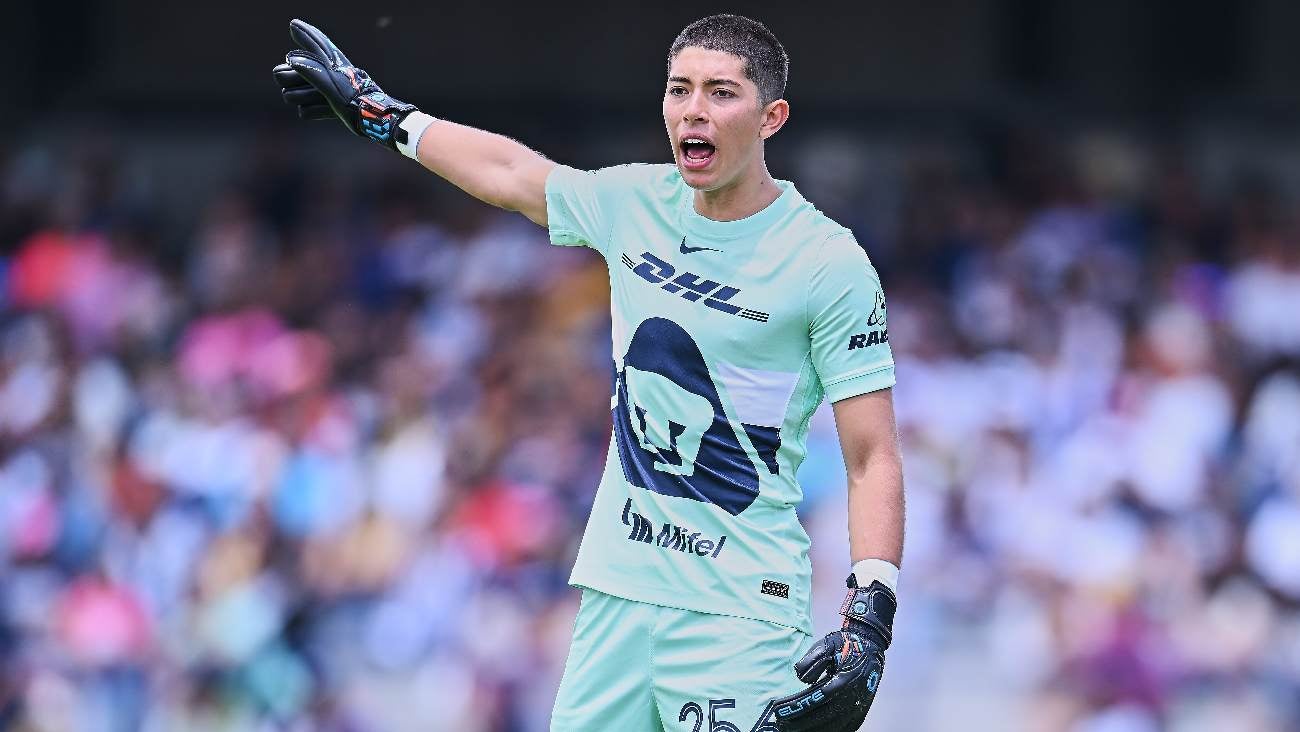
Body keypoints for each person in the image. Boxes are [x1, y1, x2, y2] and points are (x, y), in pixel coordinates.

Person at [274, 14, 903, 731]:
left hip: (737, 613)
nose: (693, 110)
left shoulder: (828, 262)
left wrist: (870, 612)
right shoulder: (635, 202)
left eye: (722, 92)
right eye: (679, 89)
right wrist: (387, 118)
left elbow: (872, 455)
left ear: (772, 118)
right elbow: (512, 174)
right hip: (615, 596)